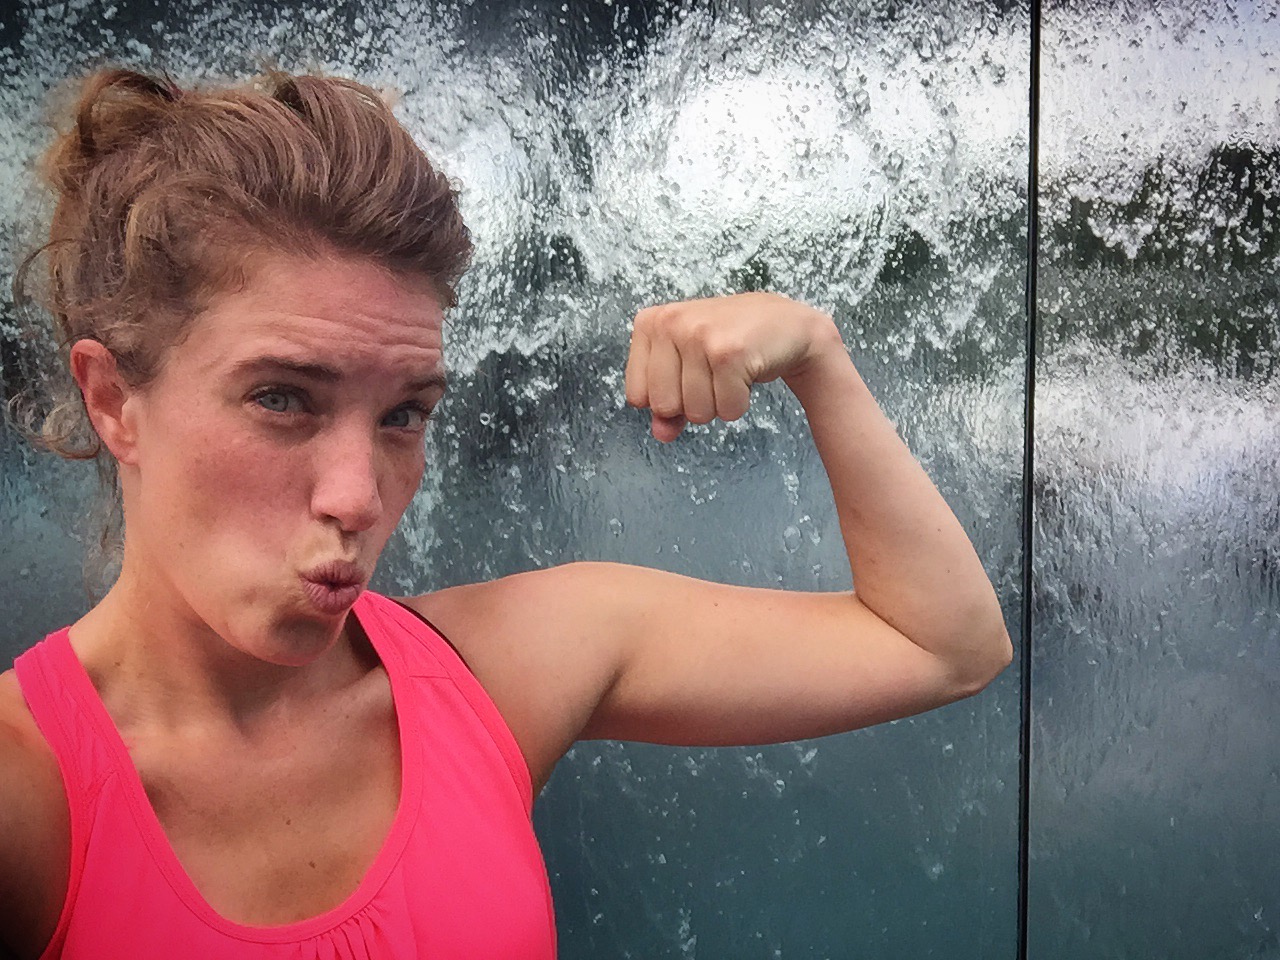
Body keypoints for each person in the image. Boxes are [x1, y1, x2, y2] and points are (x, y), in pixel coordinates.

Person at [0, 66, 1012, 960]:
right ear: (113, 400)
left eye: (403, 415)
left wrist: (816, 357)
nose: (357, 495)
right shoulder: (28, 794)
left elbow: (940, 644)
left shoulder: (490, 679)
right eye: (281, 398)